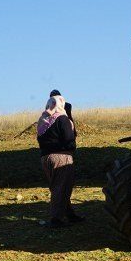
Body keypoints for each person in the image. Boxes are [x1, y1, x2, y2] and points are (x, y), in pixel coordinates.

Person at [37, 93, 82, 228]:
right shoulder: (62, 119)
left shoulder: (43, 120)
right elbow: (70, 141)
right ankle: (56, 219)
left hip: (45, 159)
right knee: (62, 188)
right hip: (61, 158)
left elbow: (40, 141)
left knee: (57, 187)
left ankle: (69, 214)